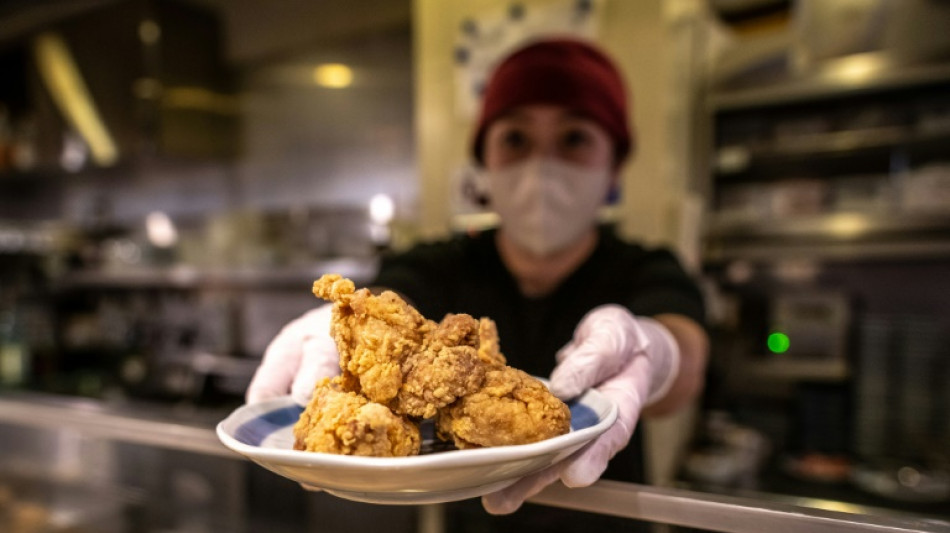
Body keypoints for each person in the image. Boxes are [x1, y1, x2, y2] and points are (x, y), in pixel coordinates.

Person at [247, 37, 708, 529]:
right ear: (483, 162)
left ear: (614, 164)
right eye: (515, 138)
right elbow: (398, 296)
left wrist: (656, 352)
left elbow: (685, 357)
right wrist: (357, 323)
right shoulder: (444, 262)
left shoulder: (645, 265)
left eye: (574, 138)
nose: (541, 164)